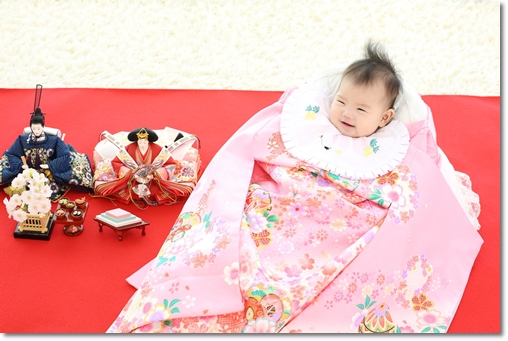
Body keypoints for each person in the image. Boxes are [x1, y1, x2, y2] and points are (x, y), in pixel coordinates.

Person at [107, 42, 482, 333]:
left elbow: (414, 196)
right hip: (287, 200)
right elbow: (259, 149)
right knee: (248, 229)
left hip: (345, 215)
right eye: (342, 102)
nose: (347, 114)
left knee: (345, 255)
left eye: (361, 110)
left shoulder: (393, 150)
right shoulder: (305, 127)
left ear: (385, 118)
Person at [0, 108, 94, 201]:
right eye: (33, 128)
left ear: (43, 127)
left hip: (48, 171)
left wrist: (50, 165)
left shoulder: (54, 140)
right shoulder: (23, 139)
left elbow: (64, 154)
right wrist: (21, 165)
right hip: (27, 169)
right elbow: (12, 153)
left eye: (38, 128)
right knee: (10, 177)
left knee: (71, 175)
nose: (36, 131)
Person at [93, 127, 193, 208]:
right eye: (140, 142)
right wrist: (131, 174)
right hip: (132, 179)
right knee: (127, 189)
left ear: (148, 142)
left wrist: (156, 174)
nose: (142, 145)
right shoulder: (129, 148)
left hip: (154, 180)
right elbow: (116, 163)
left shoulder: (158, 148)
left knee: (158, 190)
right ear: (137, 141)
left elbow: (170, 164)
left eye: (144, 142)